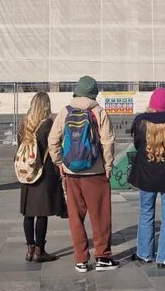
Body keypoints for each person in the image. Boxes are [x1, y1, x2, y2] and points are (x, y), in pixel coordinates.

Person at [47, 75, 118, 273]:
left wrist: (60, 163)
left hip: (71, 173)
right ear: (94, 93)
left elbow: (52, 141)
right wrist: (108, 167)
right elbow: (108, 142)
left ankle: (81, 260)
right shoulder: (98, 111)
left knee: (75, 218)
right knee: (100, 216)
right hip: (95, 172)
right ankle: (103, 257)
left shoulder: (65, 111)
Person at [128, 87, 165, 268]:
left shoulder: (141, 122)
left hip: (146, 177)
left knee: (146, 214)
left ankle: (144, 253)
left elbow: (136, 145)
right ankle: (164, 257)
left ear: (152, 103)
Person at [18, 92, 65, 262]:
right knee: (42, 213)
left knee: (28, 214)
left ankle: (29, 249)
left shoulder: (24, 124)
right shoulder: (48, 125)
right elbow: (53, 148)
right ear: (46, 106)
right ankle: (40, 250)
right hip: (44, 173)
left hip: (27, 173)